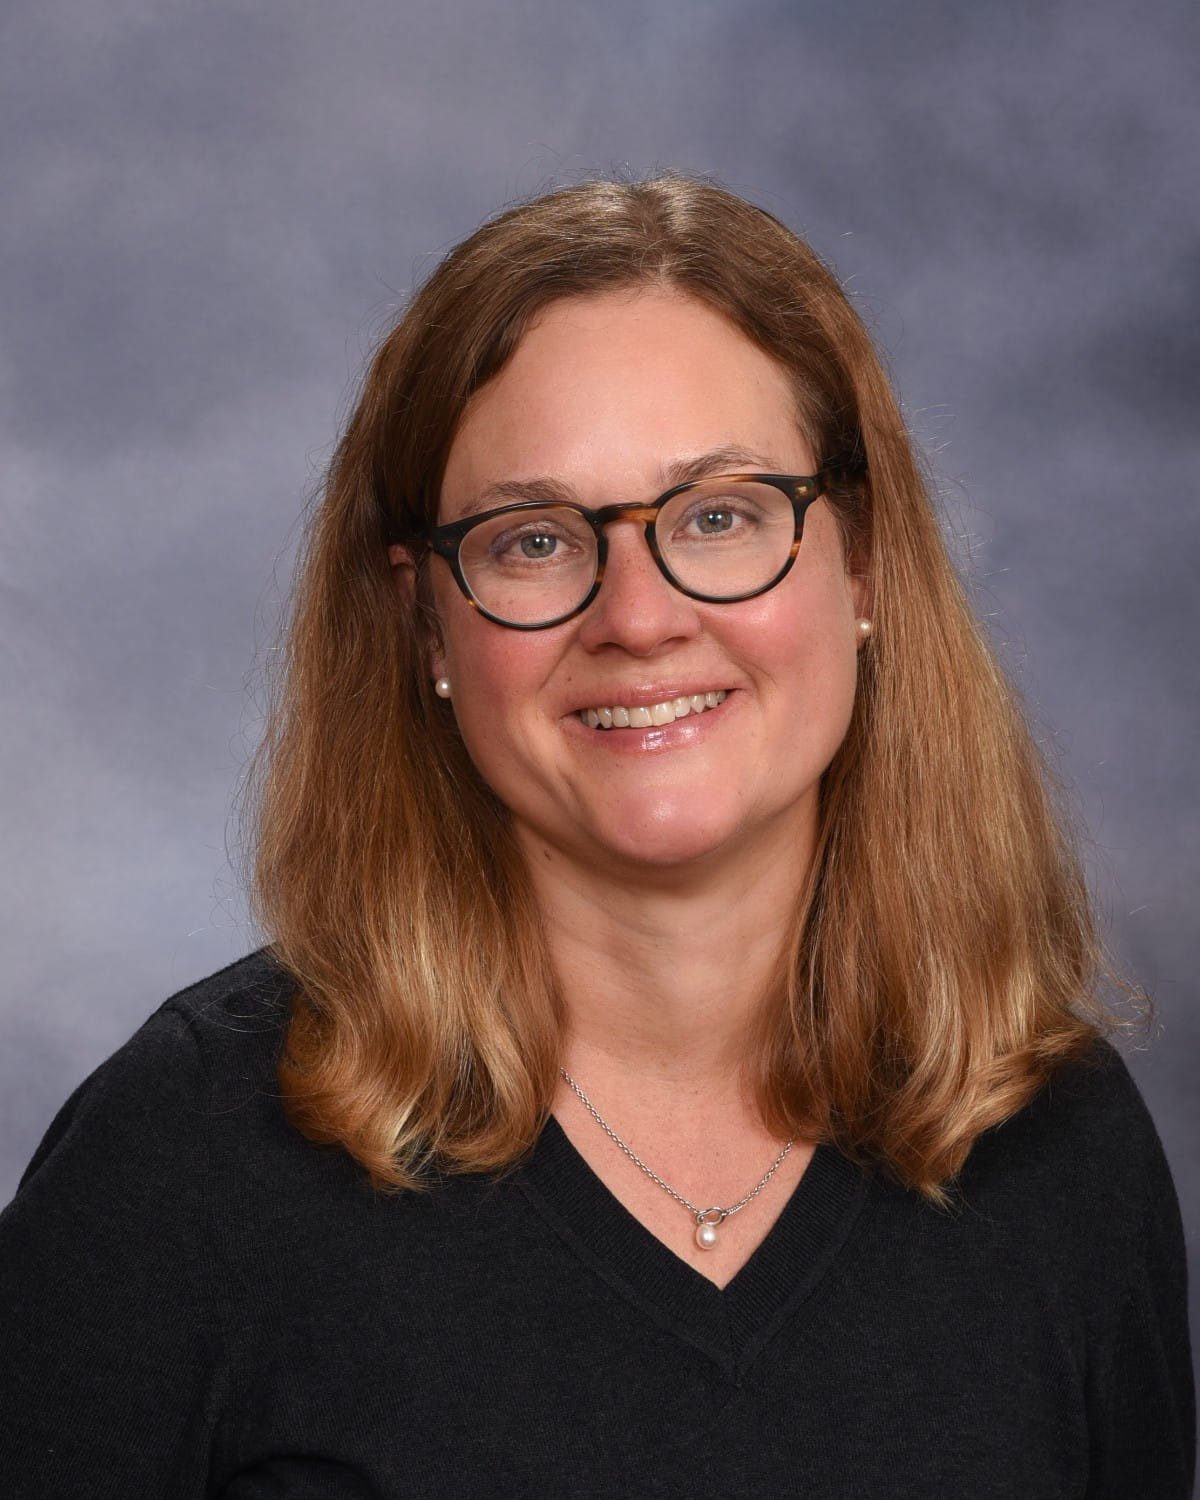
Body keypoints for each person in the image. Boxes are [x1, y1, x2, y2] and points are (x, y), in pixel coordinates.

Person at [0, 176, 1192, 1498]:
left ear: (864, 568)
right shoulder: (185, 1161)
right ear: (427, 627)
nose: (637, 614)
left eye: (722, 515)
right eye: (533, 541)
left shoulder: (1057, 1148)